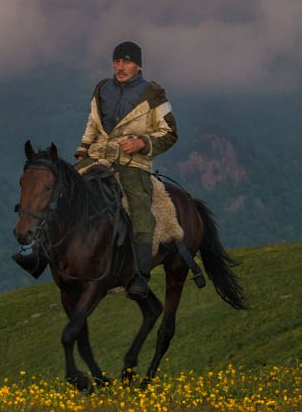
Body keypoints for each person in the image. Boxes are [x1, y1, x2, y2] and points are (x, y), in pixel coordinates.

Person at [12, 41, 178, 285]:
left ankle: (140, 276)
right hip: (97, 156)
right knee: (58, 192)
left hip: (132, 163)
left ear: (139, 66)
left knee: (140, 208)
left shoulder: (154, 94)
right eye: (118, 61)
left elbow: (170, 133)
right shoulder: (102, 89)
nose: (121, 67)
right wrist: (83, 151)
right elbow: (92, 125)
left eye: (127, 62)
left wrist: (142, 143)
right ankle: (36, 254)